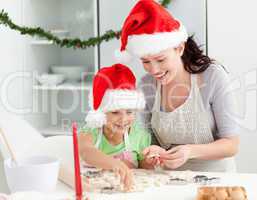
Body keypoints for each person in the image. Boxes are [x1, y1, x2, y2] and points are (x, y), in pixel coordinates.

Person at [115, 0, 240, 172]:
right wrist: (152, 154)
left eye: (161, 60)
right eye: (146, 61)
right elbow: (145, 142)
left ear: (179, 48)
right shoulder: (146, 86)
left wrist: (189, 151)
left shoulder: (212, 77)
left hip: (217, 180)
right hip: (169, 180)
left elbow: (231, 144)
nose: (154, 69)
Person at [79, 64, 151, 191]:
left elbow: (145, 172)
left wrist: (150, 162)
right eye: (115, 112)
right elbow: (86, 152)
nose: (123, 119)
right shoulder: (91, 130)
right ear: (102, 112)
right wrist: (114, 164)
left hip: (126, 191)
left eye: (129, 112)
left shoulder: (140, 136)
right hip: (95, 191)